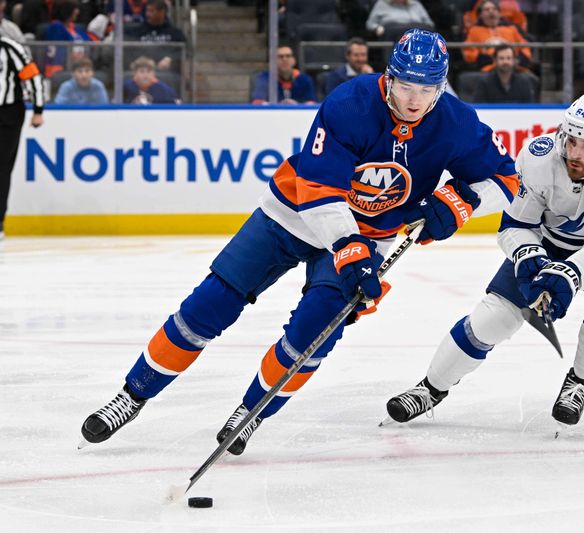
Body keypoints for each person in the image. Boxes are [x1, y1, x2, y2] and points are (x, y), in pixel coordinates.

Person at [79, 29, 519, 456]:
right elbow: (320, 190)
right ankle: (132, 395)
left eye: (426, 90)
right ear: (389, 75)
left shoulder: (455, 121)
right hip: (292, 215)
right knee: (211, 303)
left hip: (372, 236)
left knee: (315, 332)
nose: (413, 100)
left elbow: (506, 176)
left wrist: (460, 202)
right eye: (404, 85)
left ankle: (251, 412)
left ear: (442, 87)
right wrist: (348, 250)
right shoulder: (350, 102)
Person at [384, 90, 584, 430]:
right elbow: (515, 225)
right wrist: (527, 253)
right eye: (571, 139)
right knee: (493, 317)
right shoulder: (538, 155)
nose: (574, 152)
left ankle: (581, 383)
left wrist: (570, 274)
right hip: (549, 242)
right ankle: (430, 388)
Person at [0, 35, 44, 240]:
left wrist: (38, 109)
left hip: (7, 114)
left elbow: (33, 76)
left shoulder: (10, 47)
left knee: (1, 168)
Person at [463, 0, 532, 70]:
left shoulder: (511, 29)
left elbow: (525, 48)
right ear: (480, 15)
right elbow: (469, 52)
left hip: (514, 68)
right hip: (487, 70)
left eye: (494, 9)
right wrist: (484, 59)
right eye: (487, 9)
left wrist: (518, 59)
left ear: (499, 13)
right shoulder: (474, 31)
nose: (491, 11)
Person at [127, 0, 185, 71]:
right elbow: (129, 49)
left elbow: (186, 50)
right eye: (147, 11)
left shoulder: (174, 32)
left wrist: (170, 58)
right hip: (141, 69)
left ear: (162, 12)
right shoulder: (136, 31)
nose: (148, 14)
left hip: (167, 72)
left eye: (151, 11)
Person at [250, 45, 315, 104]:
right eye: (280, 57)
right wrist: (279, 106)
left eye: (288, 56)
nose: (285, 59)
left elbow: (311, 102)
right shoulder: (265, 78)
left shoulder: (304, 79)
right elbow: (257, 102)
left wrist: (297, 105)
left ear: (294, 60)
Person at [44, 0, 91, 78]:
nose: (78, 12)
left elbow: (88, 42)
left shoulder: (76, 28)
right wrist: (73, 56)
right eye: (75, 9)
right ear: (68, 11)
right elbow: (57, 51)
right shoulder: (56, 27)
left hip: (83, 64)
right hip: (65, 67)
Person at [366, 0, 434, 39]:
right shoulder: (382, 4)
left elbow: (429, 24)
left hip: (417, 32)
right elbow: (370, 23)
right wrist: (378, 28)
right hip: (394, 31)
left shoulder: (415, 4)